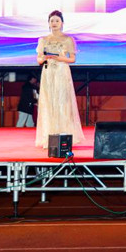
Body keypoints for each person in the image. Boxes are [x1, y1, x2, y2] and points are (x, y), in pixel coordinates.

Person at [35, 10, 84, 149]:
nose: (54, 23)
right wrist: (44, 58)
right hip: (48, 72)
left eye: (57, 20)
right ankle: (49, 137)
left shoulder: (68, 39)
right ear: (48, 23)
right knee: (48, 103)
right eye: (52, 21)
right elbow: (39, 60)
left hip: (62, 72)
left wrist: (59, 58)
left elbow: (72, 59)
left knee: (62, 103)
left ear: (62, 23)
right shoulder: (43, 40)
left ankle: (64, 136)